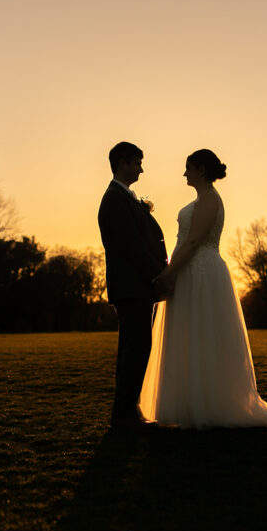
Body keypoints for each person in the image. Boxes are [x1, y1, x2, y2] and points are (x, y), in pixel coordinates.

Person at [139, 149, 267, 429]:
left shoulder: (209, 199)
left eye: (188, 168)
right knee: (187, 337)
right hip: (190, 271)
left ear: (201, 170)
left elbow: (194, 242)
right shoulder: (200, 199)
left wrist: (168, 273)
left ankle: (209, 405)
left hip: (202, 273)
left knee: (203, 336)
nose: (184, 174)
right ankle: (184, 404)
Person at [97, 141, 169, 429]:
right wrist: (159, 274)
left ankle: (128, 410)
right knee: (134, 349)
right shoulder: (115, 199)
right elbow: (132, 246)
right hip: (131, 287)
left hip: (136, 287)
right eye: (138, 162)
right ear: (123, 163)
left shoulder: (124, 196)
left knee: (136, 348)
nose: (142, 168)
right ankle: (124, 414)